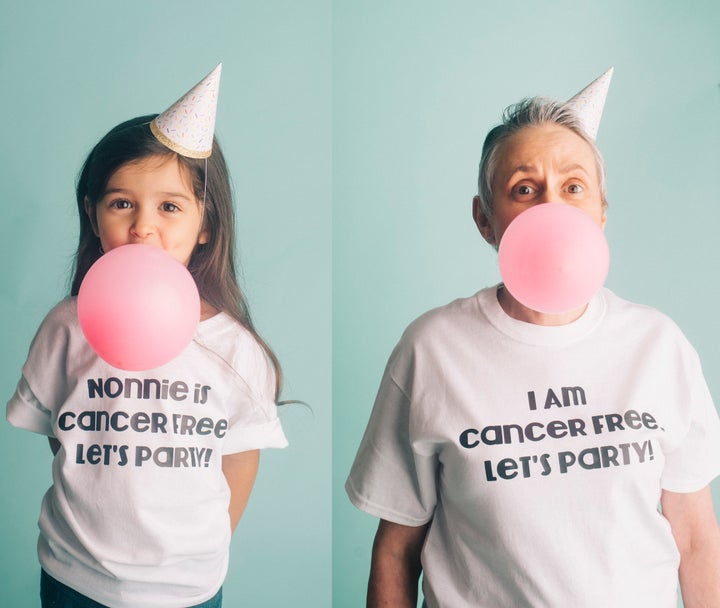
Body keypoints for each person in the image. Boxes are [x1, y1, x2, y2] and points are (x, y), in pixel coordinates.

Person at [346, 70, 720, 607]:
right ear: (484, 220)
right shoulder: (431, 349)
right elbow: (395, 551)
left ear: (602, 212)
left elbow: (697, 539)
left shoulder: (658, 345)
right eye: (525, 189)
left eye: (574, 187)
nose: (552, 208)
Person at [6, 65, 288, 608]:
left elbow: (240, 455)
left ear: (205, 225)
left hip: (187, 586)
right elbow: (55, 428)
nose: (142, 226)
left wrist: (207, 543)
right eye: (121, 204)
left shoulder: (233, 349)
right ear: (93, 216)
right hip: (74, 574)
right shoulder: (66, 327)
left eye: (170, 206)